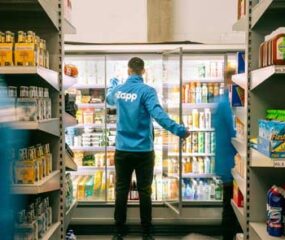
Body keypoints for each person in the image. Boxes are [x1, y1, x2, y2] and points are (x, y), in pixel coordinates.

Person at [106, 57, 190, 240]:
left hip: (122, 150)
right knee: (145, 190)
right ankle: (146, 231)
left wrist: (112, 82)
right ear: (143, 71)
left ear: (128, 70)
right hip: (144, 151)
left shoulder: (119, 90)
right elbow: (159, 115)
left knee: (121, 189)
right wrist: (180, 131)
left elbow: (108, 97)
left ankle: (118, 230)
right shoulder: (147, 91)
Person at [212, 66, 240, 240]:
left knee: (228, 204)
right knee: (230, 206)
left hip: (225, 161)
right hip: (231, 163)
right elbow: (233, 133)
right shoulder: (227, 104)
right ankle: (228, 237)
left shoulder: (222, 101)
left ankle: (228, 236)